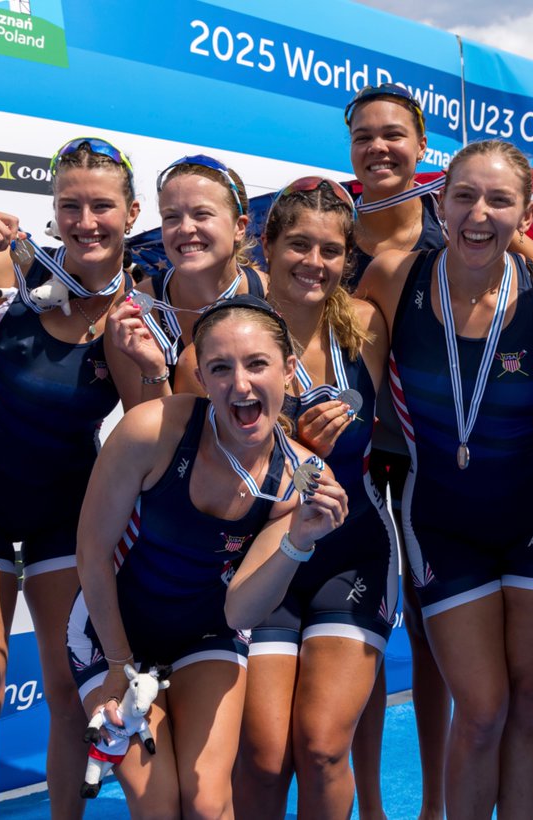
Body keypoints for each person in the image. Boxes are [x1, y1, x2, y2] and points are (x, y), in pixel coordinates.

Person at [0, 138, 157, 817]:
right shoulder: (7, 266)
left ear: (131, 212)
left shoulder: (140, 310)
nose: (86, 221)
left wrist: (150, 370)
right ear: (53, 210)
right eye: (70, 206)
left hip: (66, 512)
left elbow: (146, 437)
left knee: (65, 687)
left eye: (102, 207)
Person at [358, 138, 533, 817]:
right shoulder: (393, 277)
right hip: (441, 518)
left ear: (527, 211)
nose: (478, 214)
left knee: (524, 701)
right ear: (439, 202)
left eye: (499, 200)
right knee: (481, 709)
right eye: (464, 196)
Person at [69, 295, 349, 817]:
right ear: (200, 376)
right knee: (157, 804)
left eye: (257, 364)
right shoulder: (151, 431)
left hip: (207, 633)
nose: (240, 385)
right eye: (220, 368)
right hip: (111, 631)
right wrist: (117, 665)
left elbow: (240, 613)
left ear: (290, 371)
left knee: (206, 801)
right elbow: (91, 555)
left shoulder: (301, 479)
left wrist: (299, 541)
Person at [180, 178, 395, 819]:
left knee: (325, 748)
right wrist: (287, 440)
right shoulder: (221, 340)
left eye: (332, 250)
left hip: (353, 556)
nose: (315, 262)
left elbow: (386, 427)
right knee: (266, 758)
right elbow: (190, 457)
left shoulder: (364, 328)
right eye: (299, 244)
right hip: (261, 560)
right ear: (264, 246)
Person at [344, 81, 449, 819]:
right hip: (350, 458)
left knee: (435, 627)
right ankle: (373, 805)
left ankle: (437, 803)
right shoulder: (331, 236)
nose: (378, 147)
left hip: (431, 457)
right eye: (364, 137)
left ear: (420, 146)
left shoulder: (459, 229)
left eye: (393, 134)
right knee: (363, 631)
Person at [130, 154, 267, 383]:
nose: (185, 228)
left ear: (239, 227)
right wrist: (155, 373)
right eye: (171, 217)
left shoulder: (272, 297)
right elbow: (141, 416)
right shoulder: (135, 312)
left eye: (201, 214)